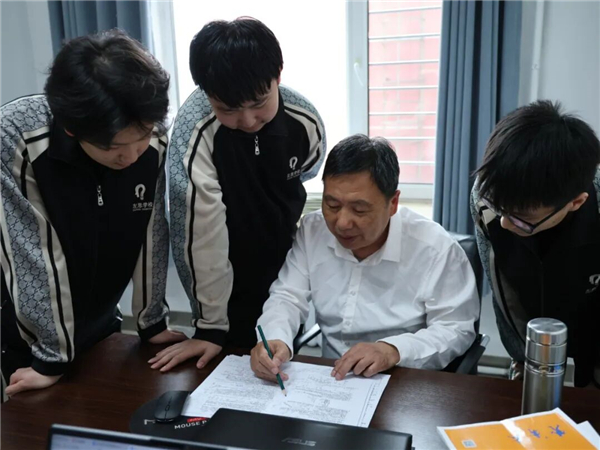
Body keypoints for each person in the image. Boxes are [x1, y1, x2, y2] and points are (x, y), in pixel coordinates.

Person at [1, 30, 186, 397]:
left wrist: (151, 322)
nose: (132, 156)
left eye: (143, 138)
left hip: (100, 320)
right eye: (116, 147)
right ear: (72, 129)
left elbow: (151, 230)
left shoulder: (150, 128)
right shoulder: (15, 137)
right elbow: (30, 253)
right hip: (26, 332)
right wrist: (51, 358)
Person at [153, 17, 326, 372]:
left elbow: (309, 170)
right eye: (228, 109)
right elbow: (201, 235)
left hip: (284, 262)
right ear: (206, 92)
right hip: (224, 270)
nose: (248, 121)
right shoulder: (194, 133)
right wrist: (210, 327)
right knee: (229, 366)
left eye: (260, 103)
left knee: (282, 360)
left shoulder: (304, 120)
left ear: (278, 75)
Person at [250, 135, 479, 382]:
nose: (342, 223)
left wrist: (393, 350)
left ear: (393, 203)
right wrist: (275, 338)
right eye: (332, 205)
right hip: (331, 378)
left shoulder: (434, 248)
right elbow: (287, 296)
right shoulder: (313, 230)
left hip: (404, 379)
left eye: (359, 210)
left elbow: (456, 328)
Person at [471, 100, 600, 388]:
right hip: (532, 327)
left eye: (522, 218)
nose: (504, 225)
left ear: (576, 203)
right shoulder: (485, 196)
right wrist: (521, 357)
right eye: (500, 210)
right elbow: (504, 291)